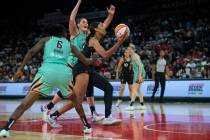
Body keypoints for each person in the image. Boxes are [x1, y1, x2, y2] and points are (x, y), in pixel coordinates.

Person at [0, 24, 93, 138]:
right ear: (62, 33)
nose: (66, 34)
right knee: (75, 100)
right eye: (65, 32)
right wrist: (93, 59)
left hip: (46, 73)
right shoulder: (70, 45)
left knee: (25, 104)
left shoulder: (46, 39)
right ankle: (87, 126)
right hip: (63, 73)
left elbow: (31, 52)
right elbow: (86, 61)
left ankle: (6, 128)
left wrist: (20, 69)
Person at [41, 0, 115, 123]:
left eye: (87, 22)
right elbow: (71, 18)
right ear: (78, 25)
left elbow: (103, 27)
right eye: (83, 22)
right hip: (72, 65)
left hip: (84, 66)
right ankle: (49, 107)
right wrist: (79, 2)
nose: (86, 23)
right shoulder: (75, 33)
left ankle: (92, 113)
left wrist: (110, 15)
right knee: (71, 89)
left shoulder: (89, 36)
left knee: (84, 88)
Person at [47, 22, 128, 126]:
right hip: (82, 69)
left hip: (88, 70)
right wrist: (120, 42)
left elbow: (97, 54)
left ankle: (108, 117)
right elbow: (106, 55)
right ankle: (53, 116)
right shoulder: (93, 40)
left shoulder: (95, 39)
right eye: (101, 26)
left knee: (108, 88)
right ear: (96, 29)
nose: (104, 27)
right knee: (78, 101)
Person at [126, 43, 146, 111]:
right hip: (139, 73)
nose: (129, 51)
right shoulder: (132, 56)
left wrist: (140, 76)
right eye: (128, 49)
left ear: (133, 50)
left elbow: (140, 66)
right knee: (138, 90)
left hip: (139, 74)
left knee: (134, 89)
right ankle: (142, 105)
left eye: (130, 49)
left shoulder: (135, 56)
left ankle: (131, 105)